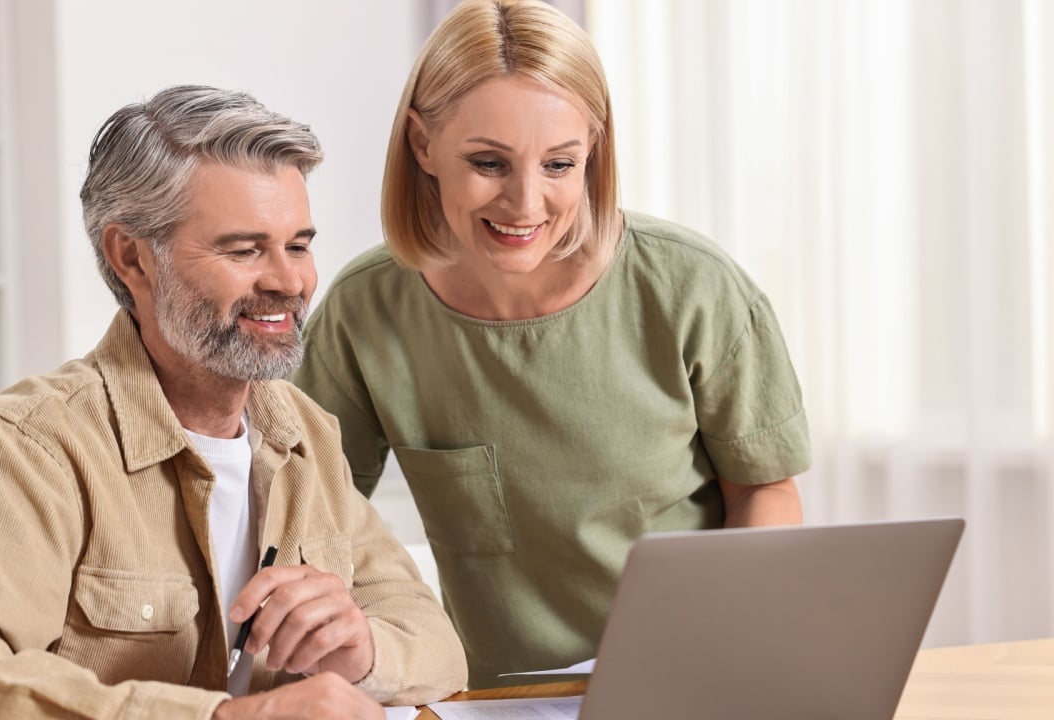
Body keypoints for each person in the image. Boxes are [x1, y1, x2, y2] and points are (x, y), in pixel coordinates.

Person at [0, 85, 467, 720]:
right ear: (132, 258)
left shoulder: (304, 433)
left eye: (299, 244)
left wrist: (361, 648)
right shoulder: (31, 443)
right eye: (244, 248)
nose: (289, 281)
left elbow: (437, 645)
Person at [292, 0, 810, 689]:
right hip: (496, 701)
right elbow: (314, 518)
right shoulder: (365, 312)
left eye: (560, 164)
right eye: (488, 162)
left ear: (593, 148)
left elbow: (765, 489)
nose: (526, 204)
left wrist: (730, 644)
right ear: (422, 145)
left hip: (690, 683)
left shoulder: (694, 288)